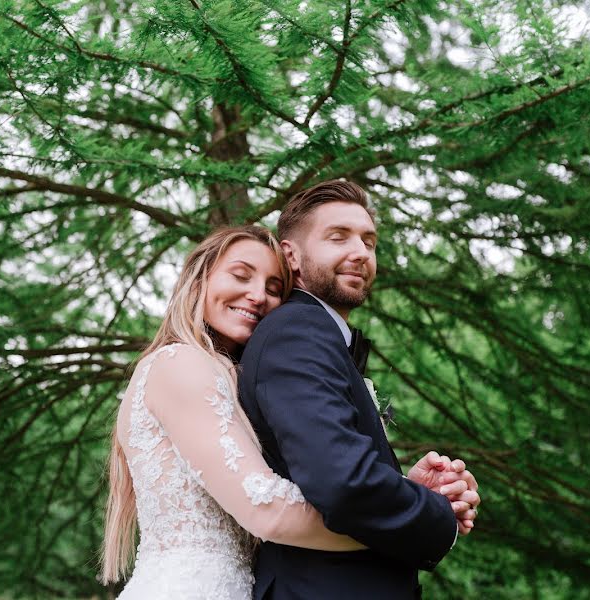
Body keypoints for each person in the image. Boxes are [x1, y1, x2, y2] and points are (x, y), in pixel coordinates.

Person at [101, 225, 400, 599]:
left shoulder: (229, 378)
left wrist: (393, 487)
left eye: (275, 289)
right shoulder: (179, 363)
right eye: (241, 276)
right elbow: (269, 509)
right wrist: (405, 521)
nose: (258, 295)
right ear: (198, 280)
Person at [238, 180, 481, 600]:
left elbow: (328, 467)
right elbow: (342, 482)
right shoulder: (297, 331)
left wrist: (411, 489)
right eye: (338, 237)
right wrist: (440, 515)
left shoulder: (322, 336)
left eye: (369, 242)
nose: (360, 253)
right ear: (291, 255)